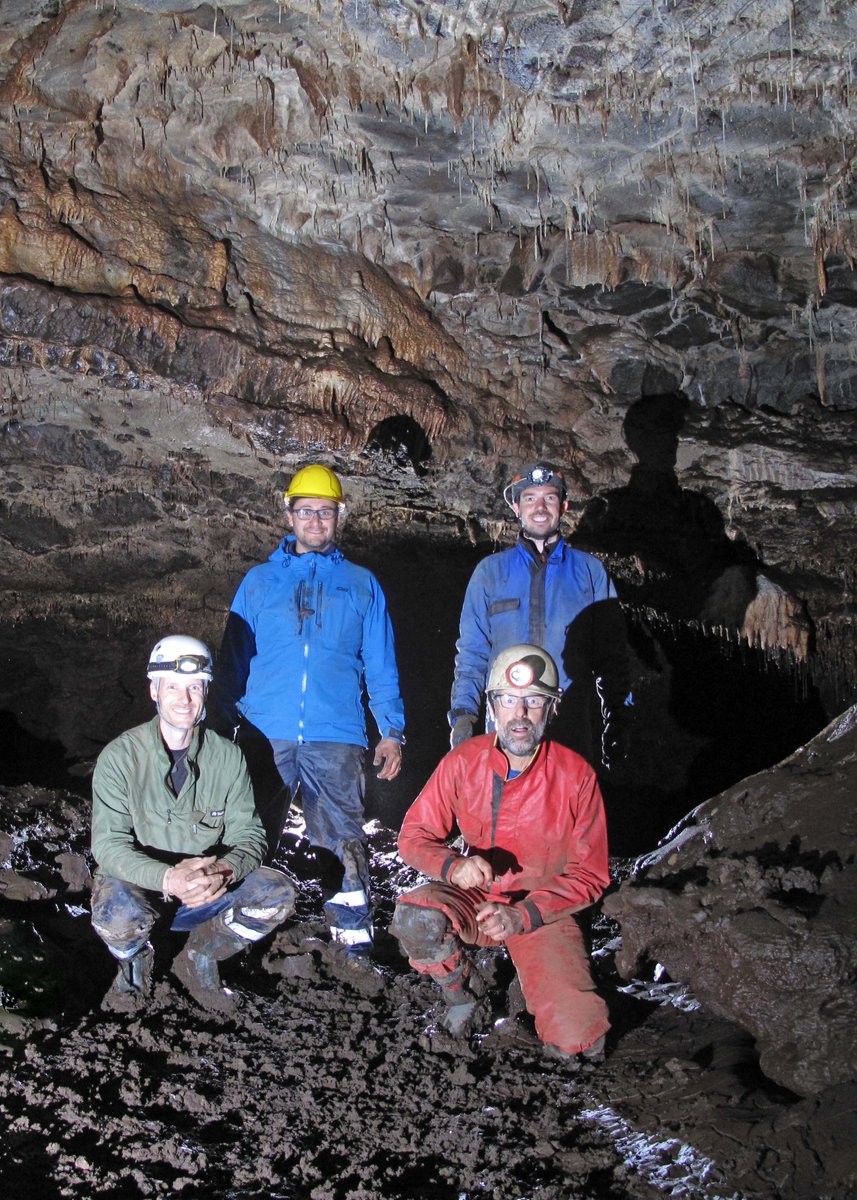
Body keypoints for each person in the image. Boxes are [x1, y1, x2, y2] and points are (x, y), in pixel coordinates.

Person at [212, 464, 405, 959]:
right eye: (306, 511)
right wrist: (218, 726)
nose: (315, 521)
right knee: (248, 831)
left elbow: (380, 661)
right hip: (263, 731)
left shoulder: (363, 584)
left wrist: (391, 729)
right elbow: (232, 658)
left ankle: (353, 941)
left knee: (341, 835)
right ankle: (233, 937)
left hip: (335, 732)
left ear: (340, 515)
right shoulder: (258, 582)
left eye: (324, 511)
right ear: (289, 513)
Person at [391, 644, 610, 1060]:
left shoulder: (576, 776)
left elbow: (591, 876)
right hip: (478, 902)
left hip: (541, 911)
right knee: (416, 915)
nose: (520, 715)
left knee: (579, 1041)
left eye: (533, 702)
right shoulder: (463, 762)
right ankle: (463, 995)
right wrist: (452, 866)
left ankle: (546, 982)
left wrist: (522, 915)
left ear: (552, 708)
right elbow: (413, 836)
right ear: (492, 707)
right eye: (508, 701)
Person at [90, 634, 296, 1013]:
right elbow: (108, 846)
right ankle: (134, 960)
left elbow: (249, 834)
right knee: (116, 916)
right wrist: (170, 878)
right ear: (154, 690)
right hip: (142, 889)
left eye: (194, 688)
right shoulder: (120, 757)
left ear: (206, 693)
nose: (184, 700)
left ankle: (202, 955)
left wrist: (221, 869)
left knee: (276, 893)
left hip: (206, 892)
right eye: (173, 687)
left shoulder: (228, 757)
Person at [448, 462, 631, 769]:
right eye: (530, 498)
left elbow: (612, 654)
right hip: (507, 728)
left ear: (564, 506)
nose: (540, 507)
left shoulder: (590, 572)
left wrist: (619, 717)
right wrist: (464, 716)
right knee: (503, 813)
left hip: (568, 727)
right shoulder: (490, 573)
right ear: (517, 508)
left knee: (566, 814)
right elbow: (472, 653)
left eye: (549, 497)